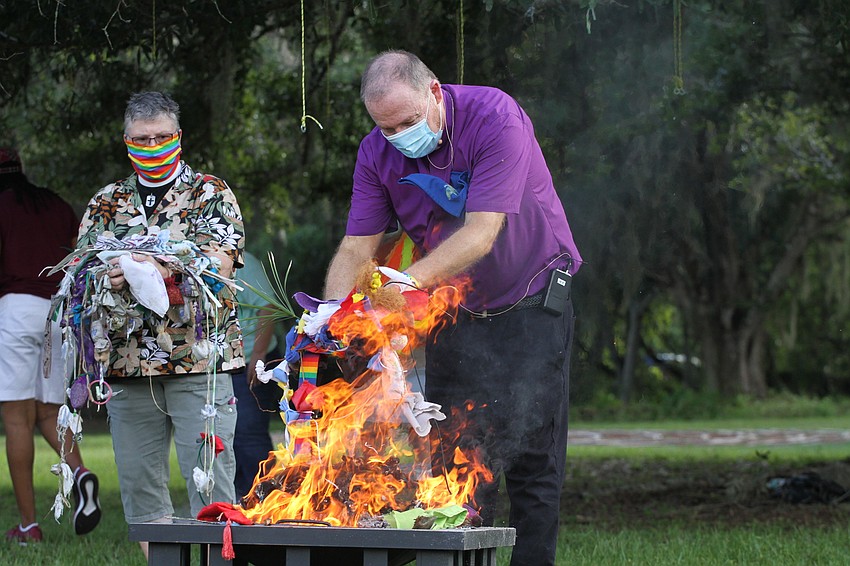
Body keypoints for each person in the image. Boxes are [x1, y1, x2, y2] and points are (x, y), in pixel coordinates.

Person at [323, 50, 582, 566]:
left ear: (435, 92)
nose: (399, 137)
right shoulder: (375, 152)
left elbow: (482, 233)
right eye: (386, 128)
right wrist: (330, 314)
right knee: (453, 455)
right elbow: (356, 248)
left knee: (532, 459)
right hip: (456, 311)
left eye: (408, 122)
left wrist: (407, 282)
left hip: (532, 300)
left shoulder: (495, 117)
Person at [67, 92, 244, 557]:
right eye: (142, 139)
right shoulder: (106, 202)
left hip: (197, 363)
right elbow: (82, 272)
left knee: (212, 488)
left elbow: (219, 264)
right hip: (128, 365)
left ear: (178, 137)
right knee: (141, 493)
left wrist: (155, 269)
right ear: (126, 140)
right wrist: (110, 275)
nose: (152, 146)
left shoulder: (210, 192)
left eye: (162, 137)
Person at [0, 147, 102, 544]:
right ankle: (81, 473)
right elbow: (79, 257)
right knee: (47, 411)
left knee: (16, 420)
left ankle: (29, 526)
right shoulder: (55, 205)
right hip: (57, 313)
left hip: (14, 309)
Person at [231, 250, 280, 499]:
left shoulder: (243, 262)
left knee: (249, 434)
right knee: (228, 437)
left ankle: (265, 498)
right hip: (224, 365)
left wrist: (258, 356)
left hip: (251, 361)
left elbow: (268, 307)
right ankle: (241, 498)